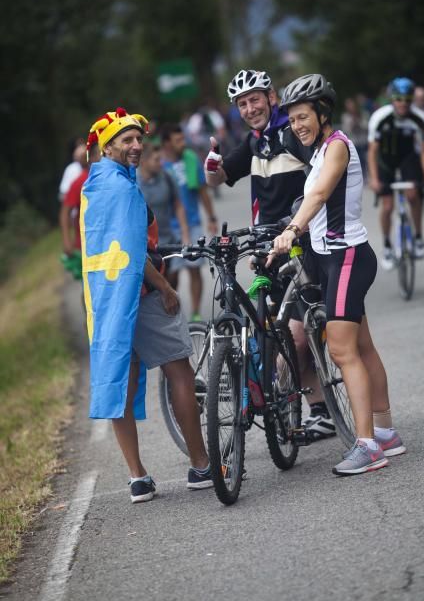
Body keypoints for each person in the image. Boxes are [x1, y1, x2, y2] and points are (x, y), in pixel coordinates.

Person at [269, 73, 406, 476]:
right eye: (292, 120)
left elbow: (319, 194)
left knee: (343, 350)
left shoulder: (337, 148)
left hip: (346, 258)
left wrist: (292, 229)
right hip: (334, 259)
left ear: (322, 112)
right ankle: (386, 433)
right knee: (362, 347)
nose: (298, 126)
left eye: (303, 117)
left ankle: (366, 446)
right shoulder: (319, 151)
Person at [81, 108, 213, 503]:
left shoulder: (97, 183)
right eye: (127, 140)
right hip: (139, 295)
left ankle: (137, 477)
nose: (137, 146)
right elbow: (133, 251)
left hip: (107, 301)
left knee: (123, 381)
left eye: (139, 139)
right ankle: (202, 465)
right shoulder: (121, 189)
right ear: (107, 146)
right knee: (180, 373)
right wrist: (166, 289)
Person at [204, 68, 335, 440]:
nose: (250, 108)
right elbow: (219, 176)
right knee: (281, 334)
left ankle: (302, 398)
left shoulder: (291, 131)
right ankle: (319, 411)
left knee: (296, 335)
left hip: (304, 242)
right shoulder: (254, 142)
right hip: (271, 248)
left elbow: (323, 172)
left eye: (255, 99)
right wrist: (211, 166)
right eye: (242, 104)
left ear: (270, 97)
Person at [367, 77, 424, 271]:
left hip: (408, 159)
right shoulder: (380, 118)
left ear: (412, 99)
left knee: (414, 195)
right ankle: (387, 245)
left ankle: (419, 236)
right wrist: (374, 179)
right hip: (385, 162)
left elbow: (423, 150)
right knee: (387, 206)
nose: (403, 103)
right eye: (399, 99)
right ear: (392, 99)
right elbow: (372, 151)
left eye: (407, 99)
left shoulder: (419, 118)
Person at [160, 123, 218, 321]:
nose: (182, 143)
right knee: (171, 274)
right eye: (178, 140)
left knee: (194, 268)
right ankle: (171, 311)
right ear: (167, 143)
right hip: (168, 227)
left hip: (192, 224)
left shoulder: (191, 159)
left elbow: (202, 191)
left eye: (183, 139)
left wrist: (211, 217)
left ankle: (195, 313)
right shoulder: (159, 164)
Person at [137, 142, 191, 274]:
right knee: (158, 284)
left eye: (160, 159)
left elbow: (178, 205)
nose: (160, 163)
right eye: (156, 160)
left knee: (172, 278)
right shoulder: (133, 183)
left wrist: (185, 234)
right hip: (146, 245)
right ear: (143, 161)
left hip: (168, 240)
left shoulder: (166, 177)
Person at [59, 141, 101, 277]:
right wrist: (67, 240)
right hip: (87, 245)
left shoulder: (113, 176)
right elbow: (65, 212)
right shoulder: (79, 182)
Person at [340, 97, 369, 179]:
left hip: (363, 142)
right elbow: (346, 130)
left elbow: (366, 127)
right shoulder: (345, 116)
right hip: (354, 143)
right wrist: (353, 123)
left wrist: (358, 121)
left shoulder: (363, 114)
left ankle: (365, 177)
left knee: (364, 161)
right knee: (355, 162)